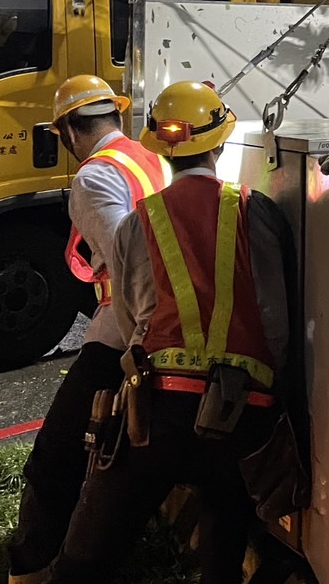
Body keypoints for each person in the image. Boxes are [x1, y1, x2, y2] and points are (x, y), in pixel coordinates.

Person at [45, 81, 295, 584]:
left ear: (159, 148)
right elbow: (276, 319)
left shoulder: (141, 221)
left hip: (157, 411)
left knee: (90, 549)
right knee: (224, 531)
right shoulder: (257, 209)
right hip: (242, 410)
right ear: (221, 144)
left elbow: (137, 312)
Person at [7, 75, 169, 584]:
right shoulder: (150, 159)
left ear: (68, 131)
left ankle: (32, 567)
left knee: (54, 459)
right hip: (165, 330)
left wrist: (138, 347)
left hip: (126, 336)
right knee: (114, 454)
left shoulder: (95, 177)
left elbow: (131, 266)